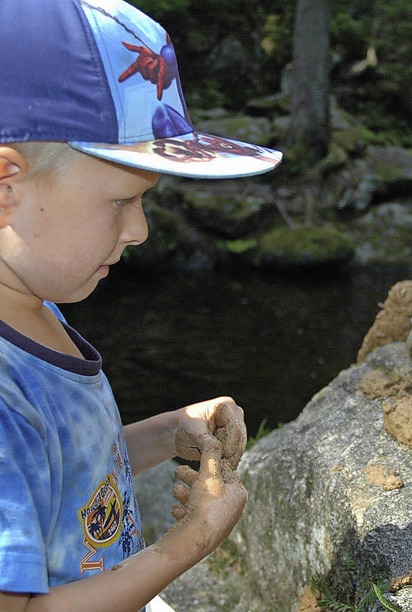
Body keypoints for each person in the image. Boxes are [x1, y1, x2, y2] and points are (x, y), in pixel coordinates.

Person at [0, 0, 282, 610]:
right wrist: (189, 542)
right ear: (5, 186)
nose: (141, 231)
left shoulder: (34, 308)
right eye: (122, 201)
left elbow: (63, 473)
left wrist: (168, 433)